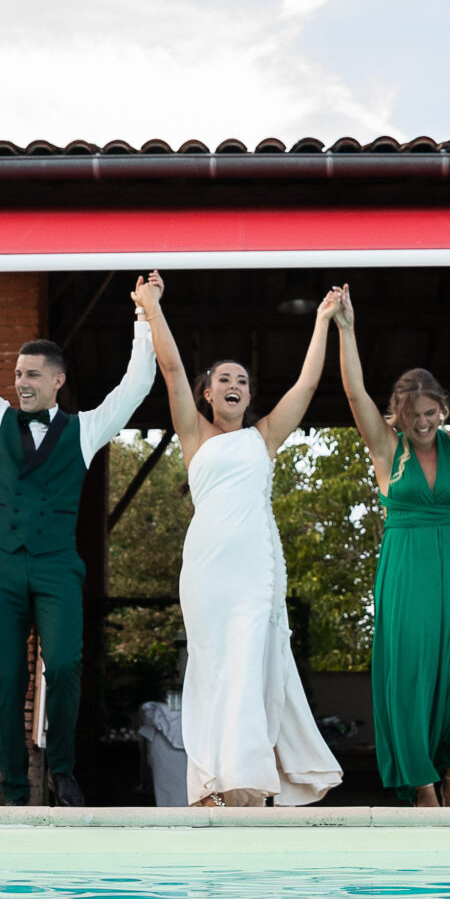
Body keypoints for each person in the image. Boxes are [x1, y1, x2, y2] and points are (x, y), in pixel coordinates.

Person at [0, 240, 159, 807]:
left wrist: (143, 316)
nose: (20, 382)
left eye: (32, 375)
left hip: (56, 566)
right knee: (7, 681)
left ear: (58, 381)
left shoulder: (85, 430)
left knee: (65, 664)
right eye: (18, 373)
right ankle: (16, 787)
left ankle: (61, 769)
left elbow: (136, 386)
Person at [142, 285, 346, 806]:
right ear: (207, 394)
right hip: (208, 572)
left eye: (242, 381)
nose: (233, 385)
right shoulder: (194, 435)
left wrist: (323, 321)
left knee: (248, 661)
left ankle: (247, 782)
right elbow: (169, 369)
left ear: (249, 396)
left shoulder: (264, 437)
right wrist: (153, 306)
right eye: (223, 380)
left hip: (255, 568)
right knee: (212, 667)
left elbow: (306, 382)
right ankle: (210, 782)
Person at [334, 287, 450, 806]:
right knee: (412, 674)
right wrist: (347, 329)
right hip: (407, 567)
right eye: (413, 413)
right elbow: (353, 394)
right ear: (398, 414)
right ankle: (424, 786)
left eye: (431, 411)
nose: (423, 421)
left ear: (443, 408)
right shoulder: (387, 448)